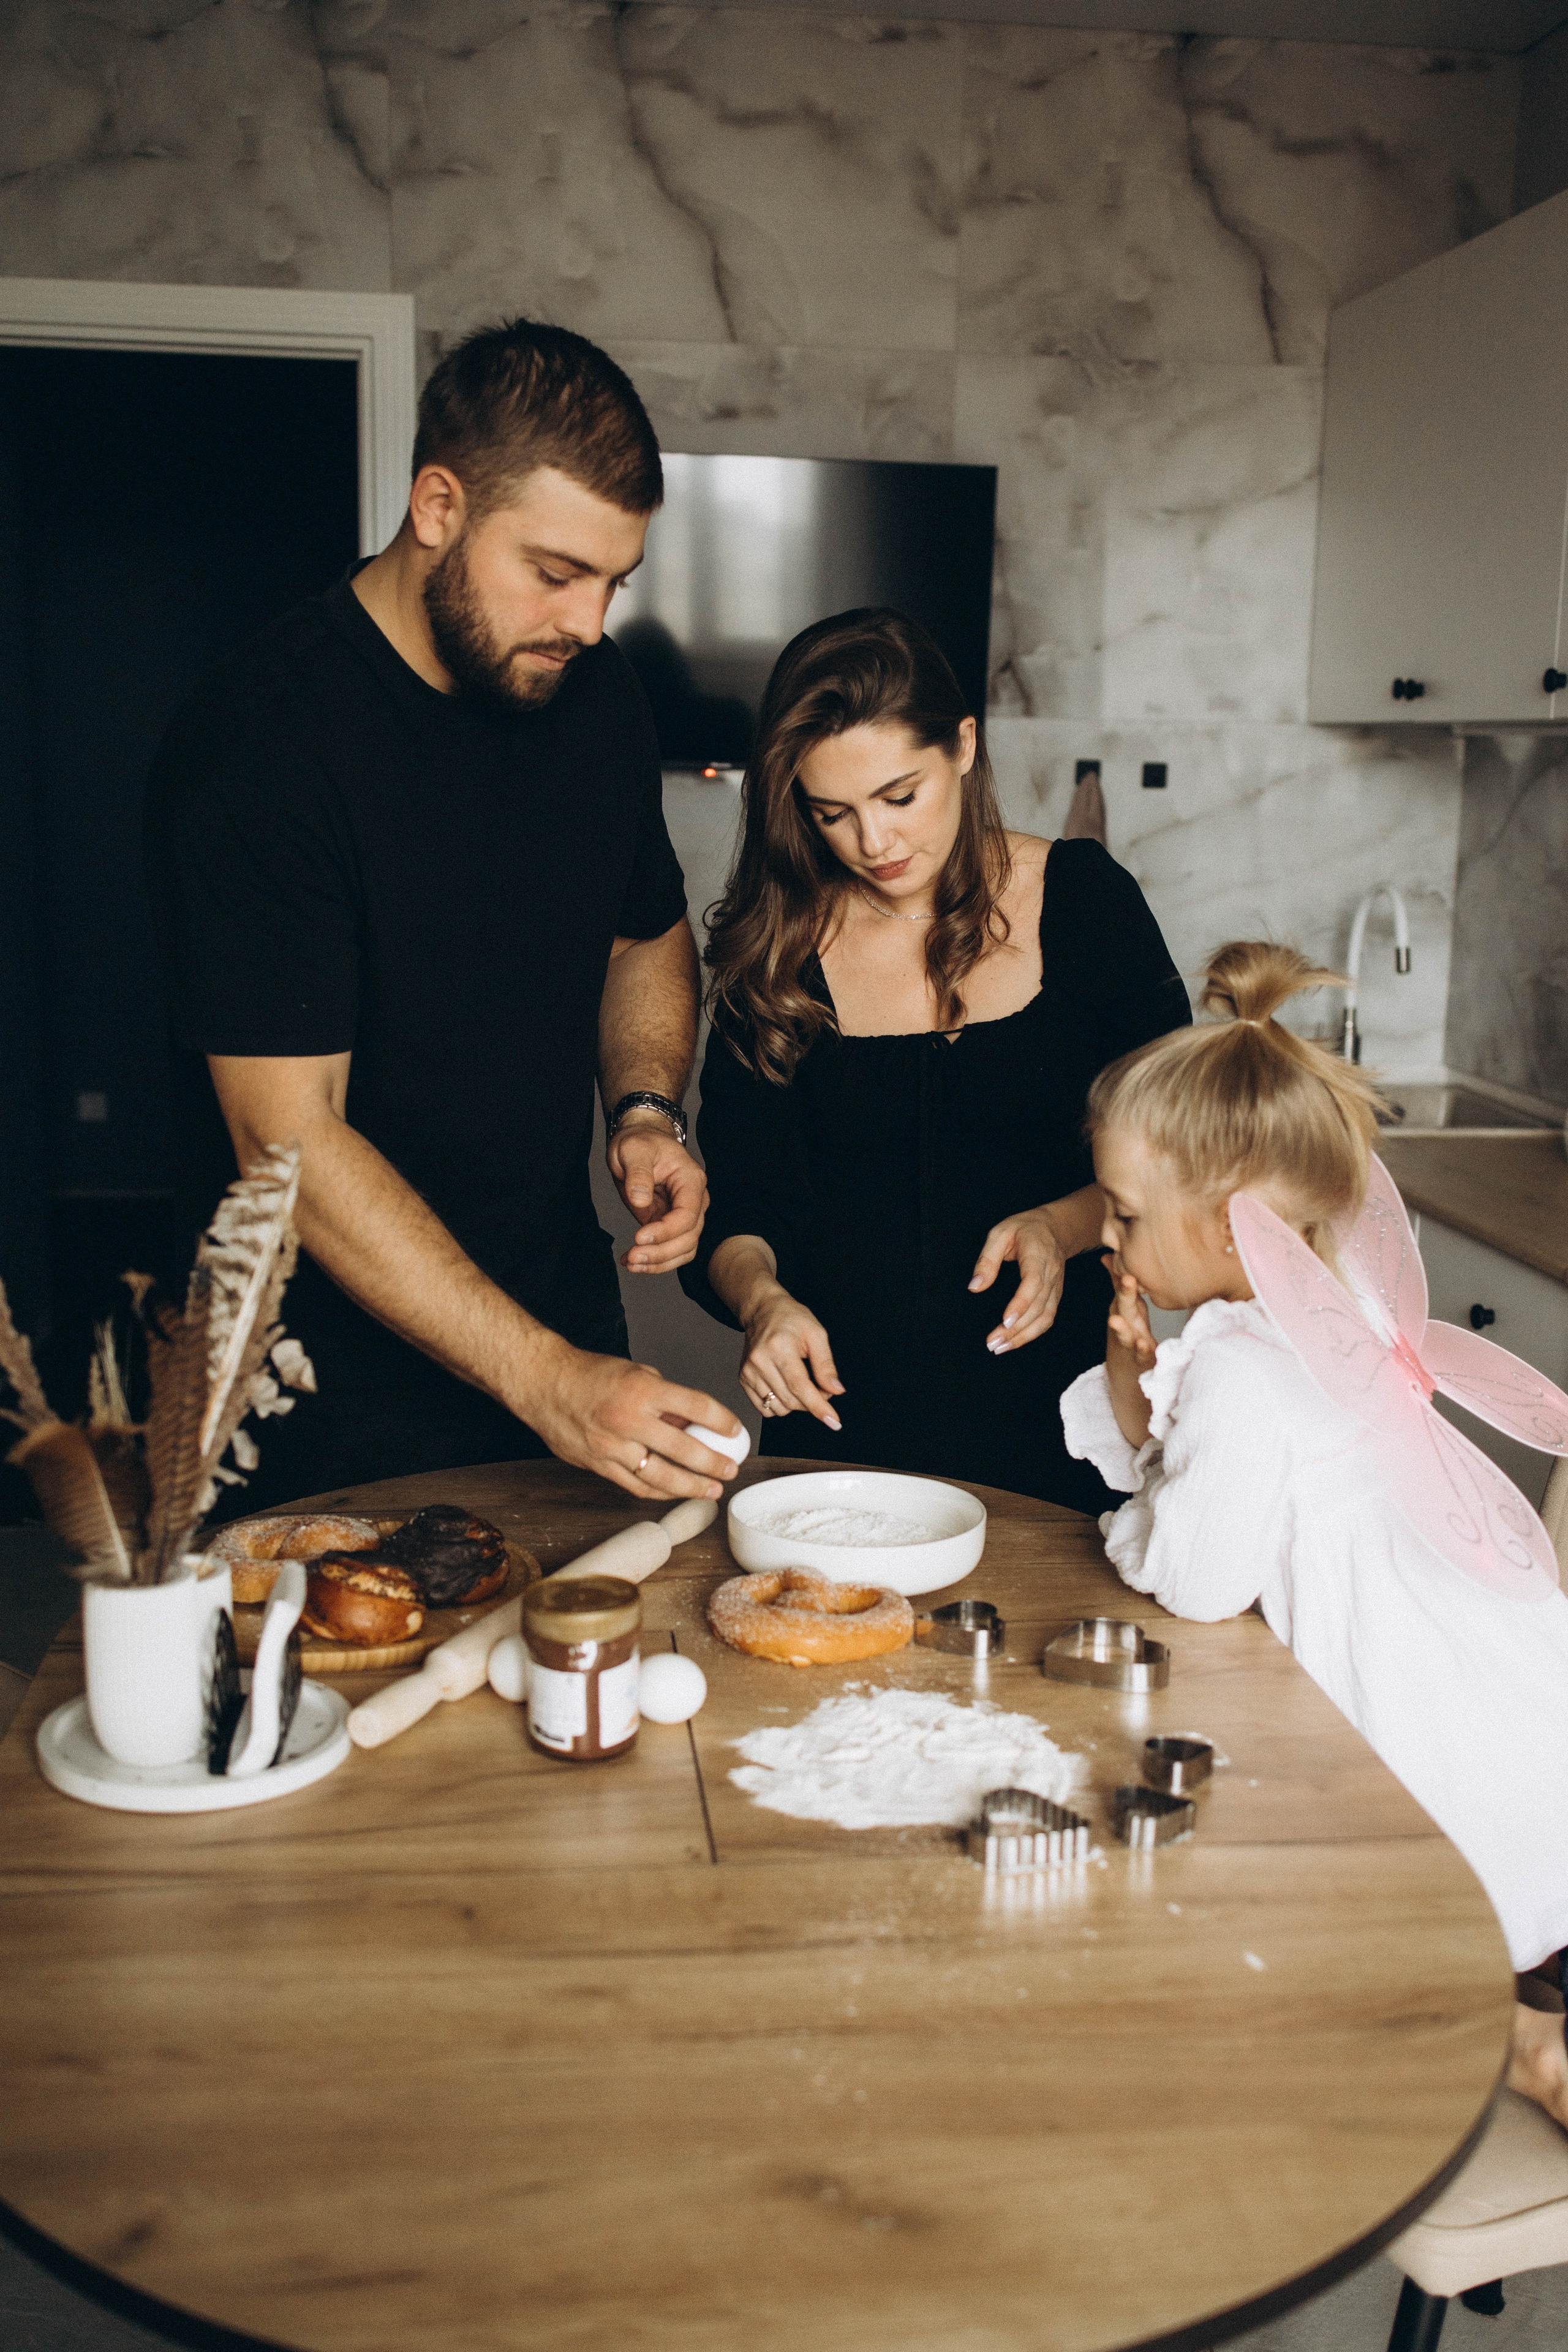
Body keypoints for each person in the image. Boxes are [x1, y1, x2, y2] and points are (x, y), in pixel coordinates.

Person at [145, 319, 741, 1510]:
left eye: (612, 581)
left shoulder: (598, 693)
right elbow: (290, 1143)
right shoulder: (263, 740)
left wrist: (641, 1108)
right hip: (308, 1375)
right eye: (555, 571)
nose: (587, 619)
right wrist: (553, 1381)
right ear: (436, 507)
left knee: (571, 1687)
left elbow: (644, 934)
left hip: (547, 1312)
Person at [1061, 940, 1568, 2127]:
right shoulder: (1330, 1311)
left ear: (1232, 1235)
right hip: (1499, 1677)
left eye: (1127, 1217)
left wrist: (1131, 1514)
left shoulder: (1238, 1370)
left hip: (1402, 1711)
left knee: (1381, 1914)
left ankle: (1518, 2045)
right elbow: (1208, 1482)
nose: (1111, 1243)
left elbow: (1191, 1578)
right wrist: (1137, 1373)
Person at [679, 608, 1190, 1507]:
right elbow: (740, 1206)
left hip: (1062, 1430)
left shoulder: (1083, 904)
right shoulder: (780, 955)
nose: (873, 845)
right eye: (830, 813)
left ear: (962, 745)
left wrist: (1059, 1227)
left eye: (899, 797)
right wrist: (762, 1303)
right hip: (837, 1438)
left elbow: (1184, 1150)